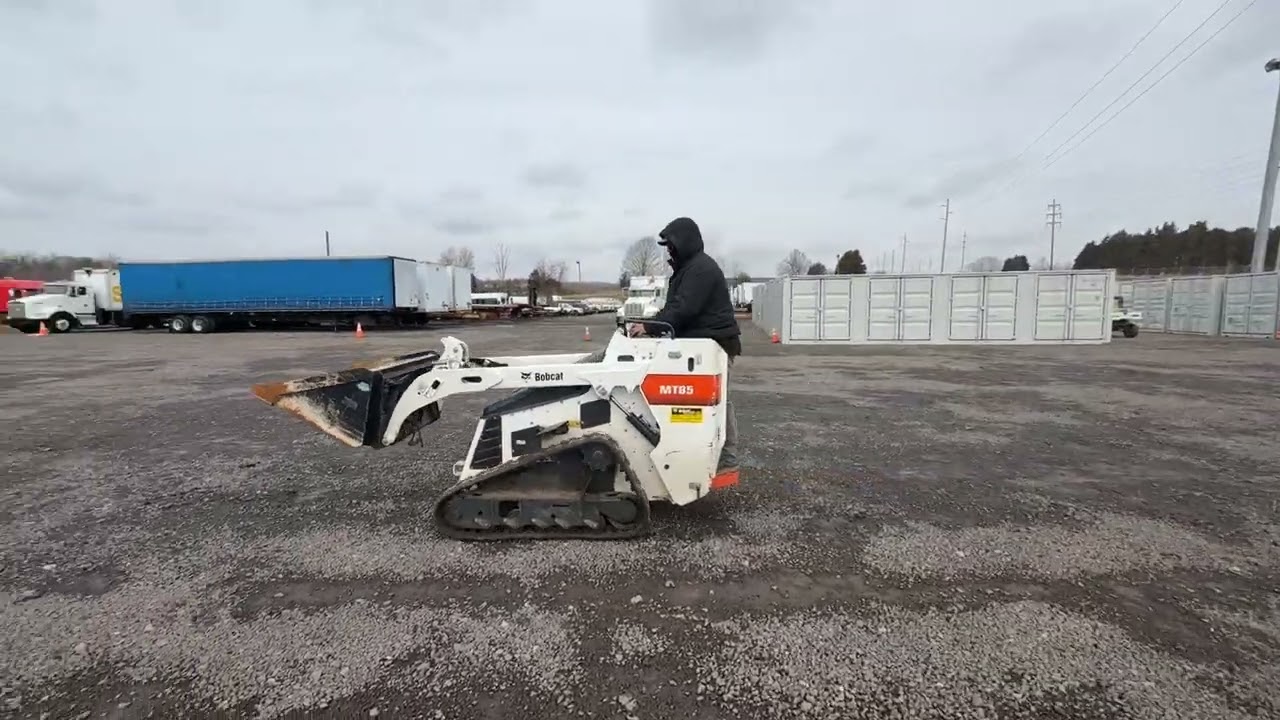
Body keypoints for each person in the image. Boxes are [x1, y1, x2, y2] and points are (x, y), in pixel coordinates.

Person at [629, 216, 741, 474]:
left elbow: (684, 309)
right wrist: (654, 325)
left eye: (671, 245)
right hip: (700, 344)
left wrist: (649, 327)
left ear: (684, 242)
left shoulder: (700, 269)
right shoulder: (688, 269)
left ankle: (727, 455)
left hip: (715, 345)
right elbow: (674, 308)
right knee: (693, 401)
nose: (669, 250)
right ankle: (691, 448)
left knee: (717, 401)